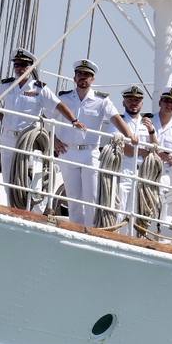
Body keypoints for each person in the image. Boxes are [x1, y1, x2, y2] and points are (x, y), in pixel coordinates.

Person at [55, 59, 136, 227]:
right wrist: (54, 140)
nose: (83, 77)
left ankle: (91, 231)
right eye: (80, 74)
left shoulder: (102, 101)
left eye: (87, 75)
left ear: (92, 79)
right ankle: (76, 230)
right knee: (73, 197)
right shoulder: (63, 98)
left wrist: (130, 135)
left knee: (91, 197)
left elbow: (115, 118)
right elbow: (48, 118)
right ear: (74, 77)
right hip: (67, 152)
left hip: (89, 153)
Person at [0, 48, 83, 178]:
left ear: (31, 67)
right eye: (16, 65)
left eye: (24, 65)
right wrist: (0, 116)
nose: (20, 68)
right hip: (8, 138)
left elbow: (59, 105)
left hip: (28, 140)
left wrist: (74, 121)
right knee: (7, 178)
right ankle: (11, 198)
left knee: (26, 177)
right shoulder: (7, 86)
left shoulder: (39, 89)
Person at [115, 85, 148, 220]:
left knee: (138, 213)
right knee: (120, 211)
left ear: (141, 103)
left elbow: (154, 148)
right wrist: (142, 151)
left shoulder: (148, 124)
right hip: (124, 172)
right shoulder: (118, 121)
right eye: (130, 100)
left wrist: (151, 132)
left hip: (143, 174)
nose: (133, 103)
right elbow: (122, 148)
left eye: (137, 100)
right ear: (123, 102)